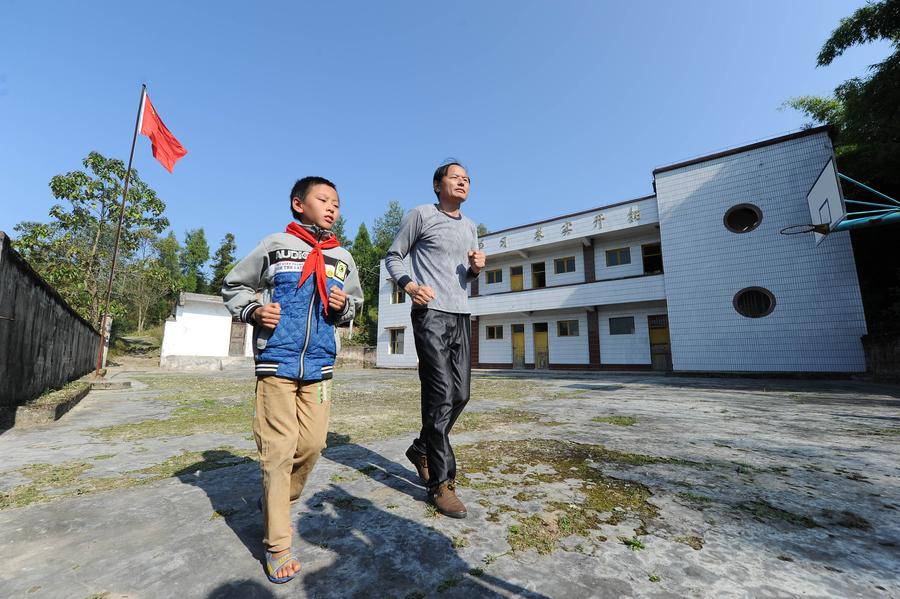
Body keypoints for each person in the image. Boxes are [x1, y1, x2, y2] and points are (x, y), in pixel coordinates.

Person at [222, 176, 363, 583]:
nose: (332, 207)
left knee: (314, 444)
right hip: (276, 363)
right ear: (298, 204)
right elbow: (234, 285)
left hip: (319, 366)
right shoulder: (274, 245)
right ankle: (277, 544)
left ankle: (276, 502)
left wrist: (344, 307)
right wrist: (253, 312)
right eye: (324, 199)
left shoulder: (343, 257)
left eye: (337, 202)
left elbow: (354, 302)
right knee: (278, 451)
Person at [385, 161, 486, 518]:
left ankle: (421, 448)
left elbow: (465, 279)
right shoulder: (421, 215)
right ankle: (441, 484)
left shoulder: (471, 227)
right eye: (455, 177)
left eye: (467, 179)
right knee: (440, 393)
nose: (462, 182)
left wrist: (475, 268)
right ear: (437, 184)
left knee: (461, 394)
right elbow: (393, 256)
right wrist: (409, 286)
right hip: (430, 314)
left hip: (460, 315)